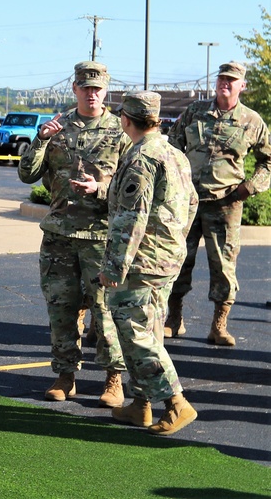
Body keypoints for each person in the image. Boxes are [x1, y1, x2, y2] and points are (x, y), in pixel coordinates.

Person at [18, 61, 130, 405]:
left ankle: (114, 379)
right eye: (85, 88)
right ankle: (65, 375)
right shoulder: (57, 127)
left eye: (97, 88)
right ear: (75, 89)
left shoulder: (120, 131)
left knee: (106, 310)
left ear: (106, 90)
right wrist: (39, 140)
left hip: (100, 236)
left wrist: (100, 187)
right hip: (60, 235)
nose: (92, 94)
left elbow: (132, 186)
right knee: (61, 307)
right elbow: (27, 174)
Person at [100, 91, 198, 436]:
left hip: (144, 262)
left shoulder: (141, 158)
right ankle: (141, 405)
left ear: (126, 120)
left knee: (137, 332)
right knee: (151, 328)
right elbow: (192, 202)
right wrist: (174, 243)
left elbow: (132, 217)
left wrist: (114, 267)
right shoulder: (174, 153)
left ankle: (175, 402)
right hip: (166, 257)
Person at [166, 61, 270, 346]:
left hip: (226, 204)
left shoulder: (252, 121)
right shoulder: (195, 112)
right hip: (189, 202)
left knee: (224, 266)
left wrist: (250, 187)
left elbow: (268, 161)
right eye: (222, 78)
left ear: (242, 86)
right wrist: (175, 183)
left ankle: (218, 326)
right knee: (177, 259)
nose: (225, 82)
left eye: (232, 79)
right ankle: (174, 319)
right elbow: (172, 146)